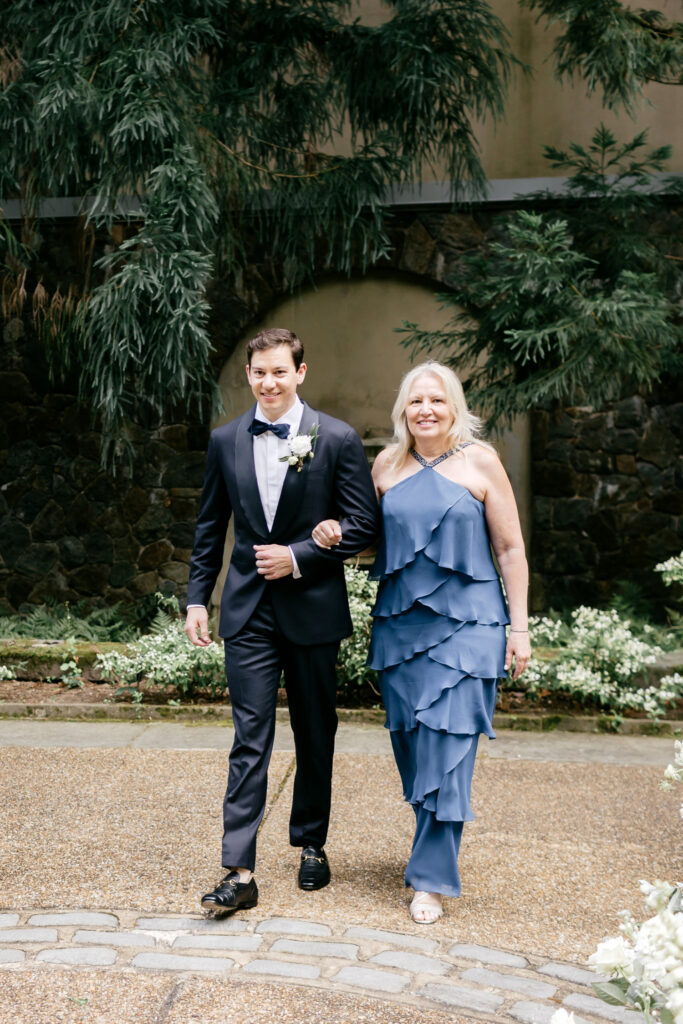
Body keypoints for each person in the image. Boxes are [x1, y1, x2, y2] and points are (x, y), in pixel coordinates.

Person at [313, 360, 530, 924]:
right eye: (415, 401)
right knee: (413, 750)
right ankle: (431, 840)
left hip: (469, 629)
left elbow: (510, 551)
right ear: (403, 411)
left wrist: (520, 628)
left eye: (437, 400)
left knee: (449, 747)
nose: (426, 410)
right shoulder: (386, 465)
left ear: (454, 407)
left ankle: (431, 881)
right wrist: (333, 534)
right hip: (402, 631)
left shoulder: (481, 462)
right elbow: (371, 542)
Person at [185, 328, 379, 916]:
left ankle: (311, 843)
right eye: (258, 373)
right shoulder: (225, 440)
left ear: (300, 372)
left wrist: (301, 555)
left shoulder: (338, 439)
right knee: (250, 737)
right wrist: (198, 599)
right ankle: (239, 870)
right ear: (249, 375)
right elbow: (209, 528)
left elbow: (365, 526)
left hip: (313, 608)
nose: (268, 382)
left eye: (279, 372)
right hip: (246, 611)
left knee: (316, 732)